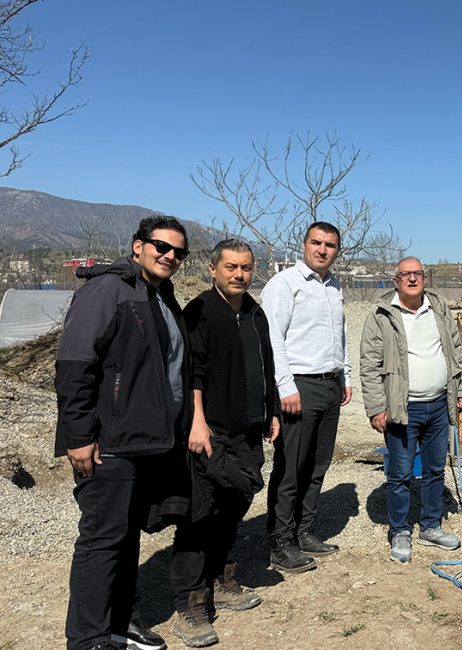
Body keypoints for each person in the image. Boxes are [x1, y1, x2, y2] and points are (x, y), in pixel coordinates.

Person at [55, 215, 192, 650]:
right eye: (161, 247)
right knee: (101, 541)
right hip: (109, 442)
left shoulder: (159, 295)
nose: (169, 256)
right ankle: (88, 638)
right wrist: (79, 435)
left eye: (178, 252)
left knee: (126, 537)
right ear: (138, 246)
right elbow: (75, 365)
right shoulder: (106, 290)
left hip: (145, 440)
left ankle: (121, 624)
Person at [170, 240, 280, 646]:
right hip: (210, 432)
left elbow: (265, 365)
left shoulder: (254, 312)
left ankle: (223, 578)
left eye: (246, 268)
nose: (239, 274)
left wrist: (270, 411)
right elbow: (191, 374)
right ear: (213, 269)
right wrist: (197, 422)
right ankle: (190, 604)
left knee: (234, 508)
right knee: (201, 515)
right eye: (231, 267)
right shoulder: (200, 311)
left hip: (248, 431)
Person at [360, 256, 462, 563]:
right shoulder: (382, 314)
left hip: (437, 405)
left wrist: (460, 392)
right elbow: (369, 364)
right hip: (401, 408)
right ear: (396, 281)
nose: (412, 279)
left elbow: (456, 351)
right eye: (405, 274)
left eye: (417, 274)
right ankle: (400, 531)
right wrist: (376, 407)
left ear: (424, 278)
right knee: (400, 473)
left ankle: (431, 526)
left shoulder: (439, 309)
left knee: (436, 469)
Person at [261, 222, 352, 572]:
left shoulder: (334, 286)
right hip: (299, 386)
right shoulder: (285, 284)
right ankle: (280, 541)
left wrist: (344, 375)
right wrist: (285, 387)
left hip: (329, 385)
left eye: (330, 244)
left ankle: (304, 530)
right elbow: (273, 339)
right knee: (291, 466)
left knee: (318, 463)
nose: (322, 249)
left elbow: (339, 335)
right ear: (304, 245)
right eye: (316, 242)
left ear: (336, 250)